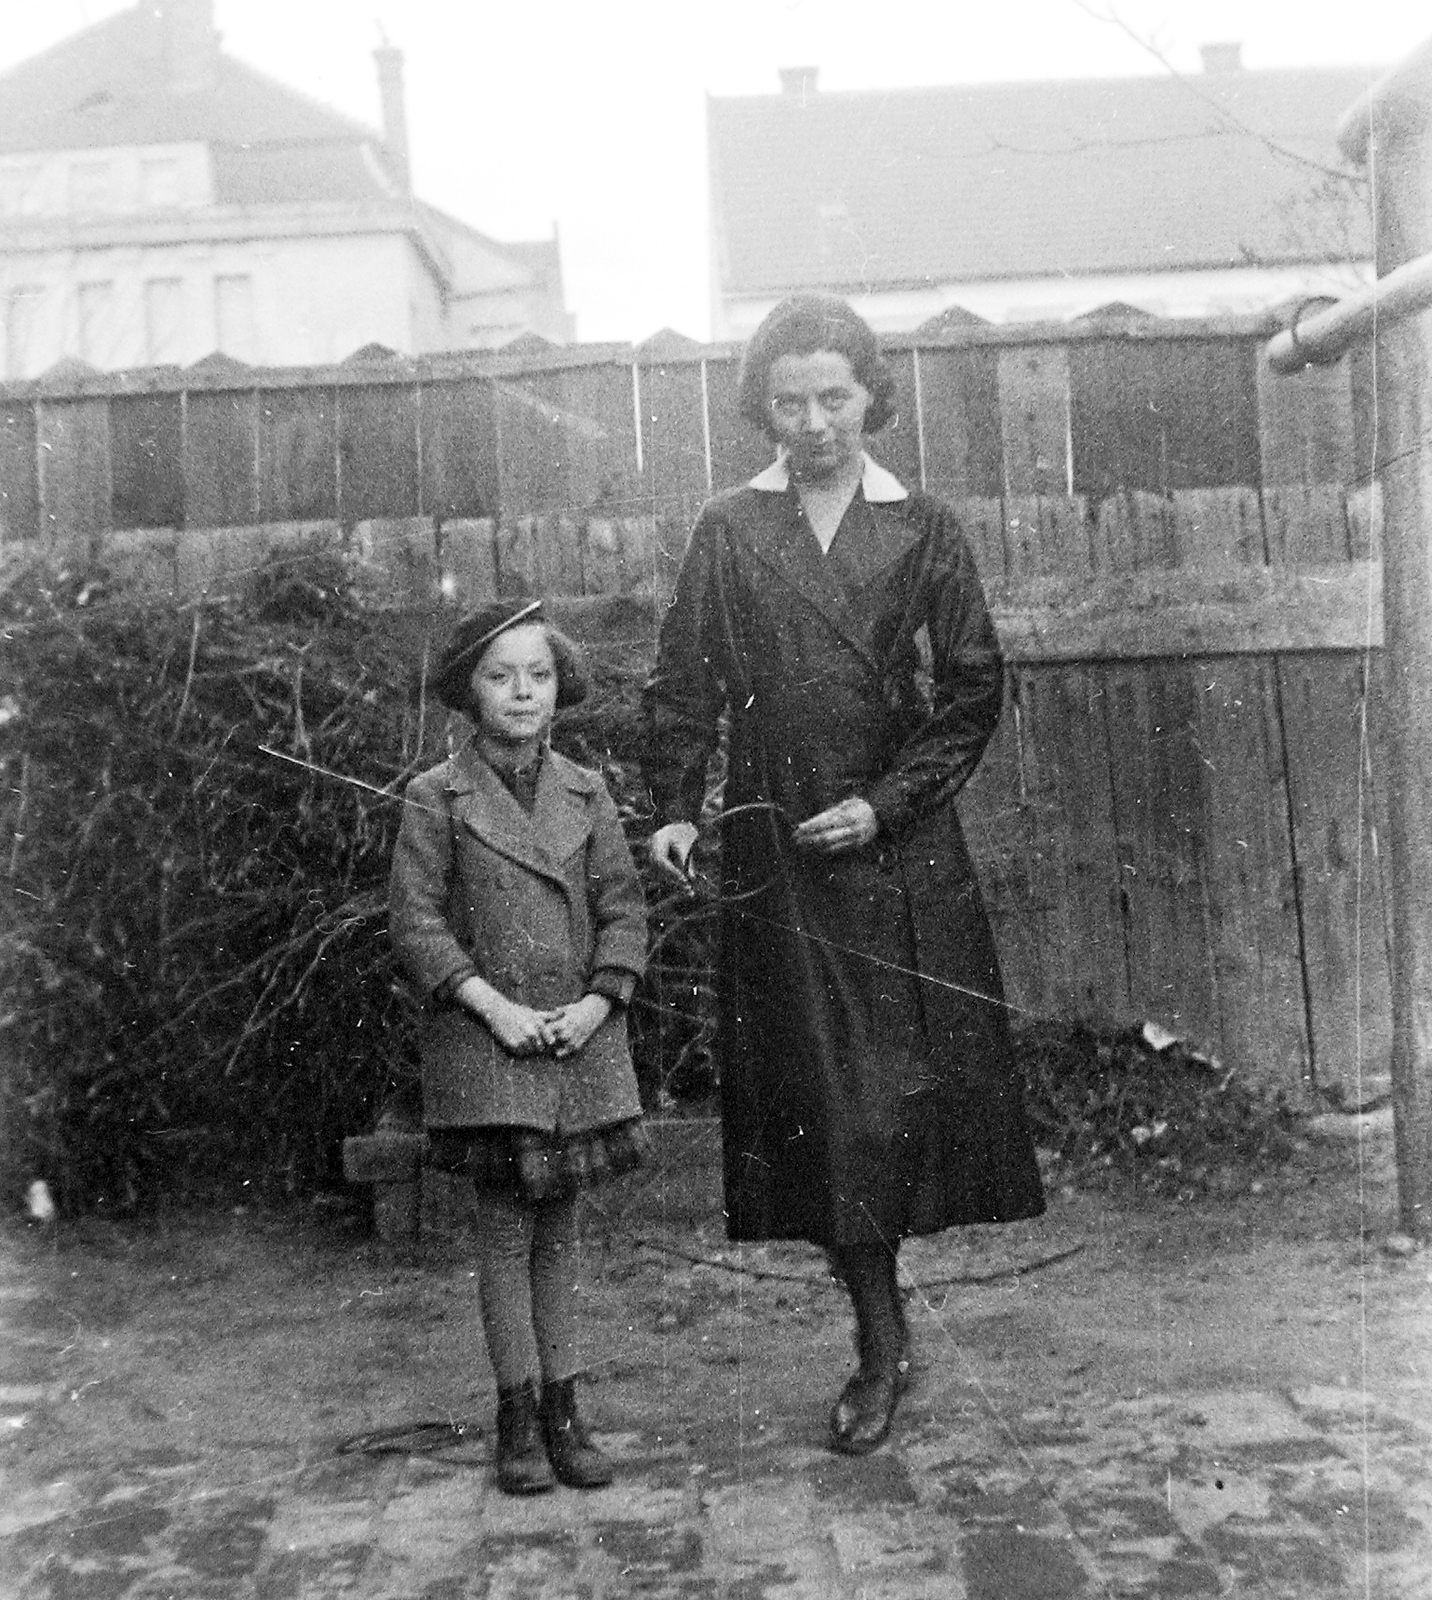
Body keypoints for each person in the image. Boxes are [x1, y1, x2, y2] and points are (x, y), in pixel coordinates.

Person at [643, 294, 1045, 1456]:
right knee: (826, 1107)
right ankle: (879, 1338)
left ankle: (886, 1332)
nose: (812, 422)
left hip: (896, 853)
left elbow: (971, 692)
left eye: (833, 396)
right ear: (758, 409)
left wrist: (883, 804)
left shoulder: (924, 526)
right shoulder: (730, 526)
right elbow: (685, 677)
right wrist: (674, 806)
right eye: (787, 401)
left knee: (895, 1100)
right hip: (778, 850)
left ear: (871, 397)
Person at [389, 598, 648, 1496]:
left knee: (562, 1235)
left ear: (559, 687)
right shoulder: (436, 796)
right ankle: (516, 1419)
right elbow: (415, 923)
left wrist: (599, 1001)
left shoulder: (586, 790)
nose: (522, 693)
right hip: (488, 1043)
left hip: (576, 1045)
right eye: (501, 676)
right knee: (503, 1234)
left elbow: (623, 905)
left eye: (537, 675)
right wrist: (490, 1006)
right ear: (469, 692)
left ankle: (567, 1416)